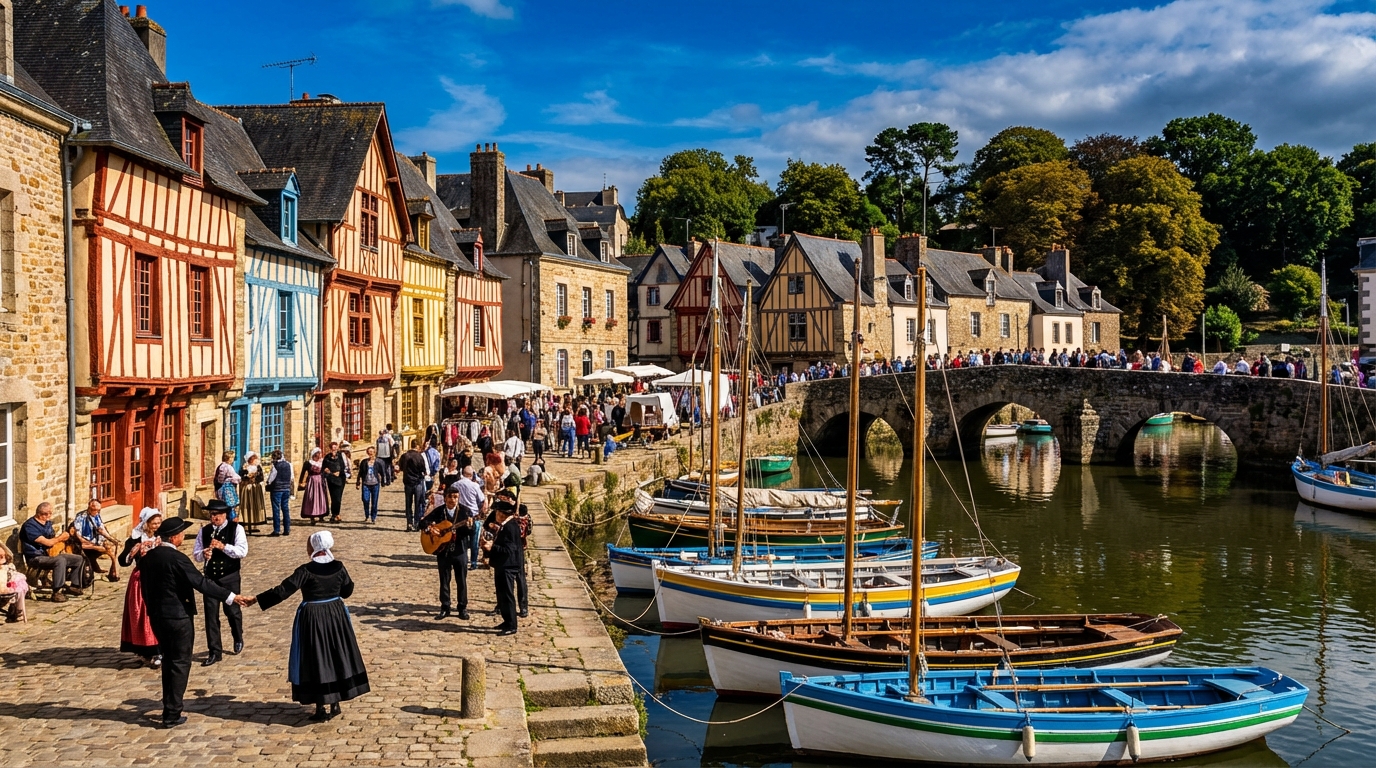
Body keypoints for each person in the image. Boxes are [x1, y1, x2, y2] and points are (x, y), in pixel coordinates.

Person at [238, 531, 370, 722]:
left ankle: (321, 707)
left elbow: (283, 591)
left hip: (314, 617)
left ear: (315, 546)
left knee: (316, 657)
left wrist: (257, 599)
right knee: (336, 654)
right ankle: (335, 702)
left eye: (308, 544)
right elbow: (348, 591)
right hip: (336, 615)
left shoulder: (306, 570)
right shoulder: (339, 567)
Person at [139, 516, 237, 728]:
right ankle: (172, 713)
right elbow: (200, 583)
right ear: (175, 537)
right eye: (182, 534)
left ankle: (169, 706)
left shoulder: (148, 558)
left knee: (168, 661)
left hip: (157, 617)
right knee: (180, 662)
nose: (183, 537)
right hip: (178, 618)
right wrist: (230, 596)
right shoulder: (177, 559)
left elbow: (145, 589)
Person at [192, 500, 247, 666]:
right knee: (211, 615)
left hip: (229, 576)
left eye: (217, 514)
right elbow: (196, 554)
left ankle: (237, 636)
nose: (214, 517)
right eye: (212, 514)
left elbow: (242, 551)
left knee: (232, 611)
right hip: (210, 579)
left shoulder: (236, 529)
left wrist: (223, 547)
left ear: (224, 515)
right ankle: (214, 651)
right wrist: (204, 554)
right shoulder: (204, 531)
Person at [420, 483, 474, 620]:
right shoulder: (439, 511)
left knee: (461, 580)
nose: (453, 500)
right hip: (443, 552)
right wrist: (429, 529)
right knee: (444, 580)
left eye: (456, 497)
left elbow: (471, 532)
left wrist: (469, 527)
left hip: (459, 551)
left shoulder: (465, 512)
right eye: (450, 497)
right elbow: (422, 523)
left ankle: (462, 607)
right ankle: (445, 607)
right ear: (445, 498)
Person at [118, 508, 163, 667]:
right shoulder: (135, 539)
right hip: (141, 579)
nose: (157, 526)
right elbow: (123, 561)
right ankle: (145, 649)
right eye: (154, 523)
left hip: (160, 578)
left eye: (159, 523)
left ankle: (159, 649)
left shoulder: (162, 536)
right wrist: (132, 552)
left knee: (159, 613)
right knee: (141, 614)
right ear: (146, 524)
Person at [18, 501, 85, 602]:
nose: (50, 516)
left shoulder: (47, 523)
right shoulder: (30, 526)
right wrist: (61, 537)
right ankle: (57, 592)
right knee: (60, 561)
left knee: (78, 559)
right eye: (49, 513)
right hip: (36, 557)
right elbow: (48, 543)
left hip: (49, 554)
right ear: (43, 514)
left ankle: (74, 585)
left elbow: (53, 540)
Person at [482, 498, 524, 636]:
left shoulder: (511, 527)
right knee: (501, 594)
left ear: (503, 514)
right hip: (502, 564)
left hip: (509, 565)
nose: (496, 515)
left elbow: (509, 550)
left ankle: (512, 624)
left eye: (498, 513)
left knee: (507, 595)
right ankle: (506, 620)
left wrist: (492, 547)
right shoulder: (504, 526)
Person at [74, 499, 120, 582]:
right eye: (95, 510)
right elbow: (78, 534)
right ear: (89, 507)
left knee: (114, 547)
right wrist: (88, 542)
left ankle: (113, 572)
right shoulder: (81, 517)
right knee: (109, 551)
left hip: (96, 542)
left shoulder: (97, 515)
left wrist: (111, 539)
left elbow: (101, 529)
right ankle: (114, 574)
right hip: (86, 543)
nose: (97, 512)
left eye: (99, 510)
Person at [456, 466, 486, 571]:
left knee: (462, 540)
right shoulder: (475, 486)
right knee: (474, 541)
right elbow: (482, 500)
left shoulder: (455, 485)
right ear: (472, 475)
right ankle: (473, 562)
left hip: (459, 518)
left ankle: (463, 560)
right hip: (474, 517)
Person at [399, 439, 430, 533]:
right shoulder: (419, 456)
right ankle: (416, 523)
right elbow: (424, 470)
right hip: (417, 482)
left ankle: (409, 523)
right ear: (417, 447)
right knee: (418, 504)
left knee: (408, 504)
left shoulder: (404, 456)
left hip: (408, 482)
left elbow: (400, 467)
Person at [239, 452, 268, 534]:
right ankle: (246, 524)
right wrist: (247, 477)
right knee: (246, 505)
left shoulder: (258, 467)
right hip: (247, 488)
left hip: (255, 488)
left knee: (255, 505)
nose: (256, 460)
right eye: (254, 459)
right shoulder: (245, 467)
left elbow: (261, 477)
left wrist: (255, 478)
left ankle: (254, 524)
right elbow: (241, 477)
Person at [267, 450, 294, 537]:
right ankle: (287, 529)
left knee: (276, 509)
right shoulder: (289, 464)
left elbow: (271, 478)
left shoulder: (276, 466)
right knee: (285, 509)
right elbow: (292, 477)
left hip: (277, 489)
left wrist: (268, 483)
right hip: (286, 489)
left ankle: (277, 530)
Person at [355, 446, 386, 523]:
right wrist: (358, 482)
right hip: (366, 484)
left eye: (372, 452)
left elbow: (382, 473)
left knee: (374, 502)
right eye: (369, 452)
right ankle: (366, 515)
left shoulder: (378, 462)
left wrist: (383, 482)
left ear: (374, 452)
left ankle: (373, 517)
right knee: (365, 500)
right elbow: (360, 473)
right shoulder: (364, 462)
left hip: (375, 484)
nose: (370, 454)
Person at [299, 448, 329, 525]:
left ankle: (321, 515)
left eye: (320, 454)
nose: (319, 455)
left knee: (321, 497)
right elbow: (303, 473)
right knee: (311, 497)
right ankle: (312, 516)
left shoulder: (323, 462)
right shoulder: (308, 463)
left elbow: (328, 471)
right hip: (312, 482)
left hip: (320, 481)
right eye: (318, 454)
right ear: (314, 455)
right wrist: (301, 482)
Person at [322, 442, 349, 524]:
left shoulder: (342, 455)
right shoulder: (327, 457)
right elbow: (324, 467)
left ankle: (335, 514)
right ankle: (335, 514)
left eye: (335, 447)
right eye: (332, 448)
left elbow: (345, 466)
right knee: (333, 497)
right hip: (331, 479)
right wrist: (327, 471)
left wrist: (339, 472)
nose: (334, 449)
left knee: (338, 497)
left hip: (340, 478)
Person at [0, 542, 27, 622]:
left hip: (9, 587)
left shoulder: (9, 567)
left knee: (20, 586)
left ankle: (18, 610)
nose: (2, 557)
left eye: (3, 556)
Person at [214, 452, 242, 521]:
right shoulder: (225, 466)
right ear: (228, 458)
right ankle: (231, 521)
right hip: (226, 488)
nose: (233, 459)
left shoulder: (227, 466)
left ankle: (231, 520)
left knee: (230, 506)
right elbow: (221, 478)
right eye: (232, 457)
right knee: (229, 506)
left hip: (228, 487)